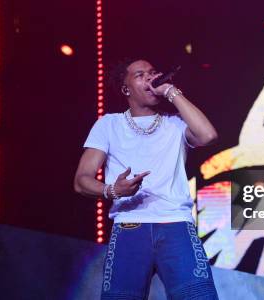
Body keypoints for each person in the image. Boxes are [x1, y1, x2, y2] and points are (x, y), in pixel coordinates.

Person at [74, 58, 219, 299]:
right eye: (140, 75)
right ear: (126, 88)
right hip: (130, 226)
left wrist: (171, 91)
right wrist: (113, 190)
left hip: (176, 224)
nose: (150, 78)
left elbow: (208, 135)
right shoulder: (109, 124)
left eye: (153, 73)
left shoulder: (176, 123)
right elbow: (82, 180)